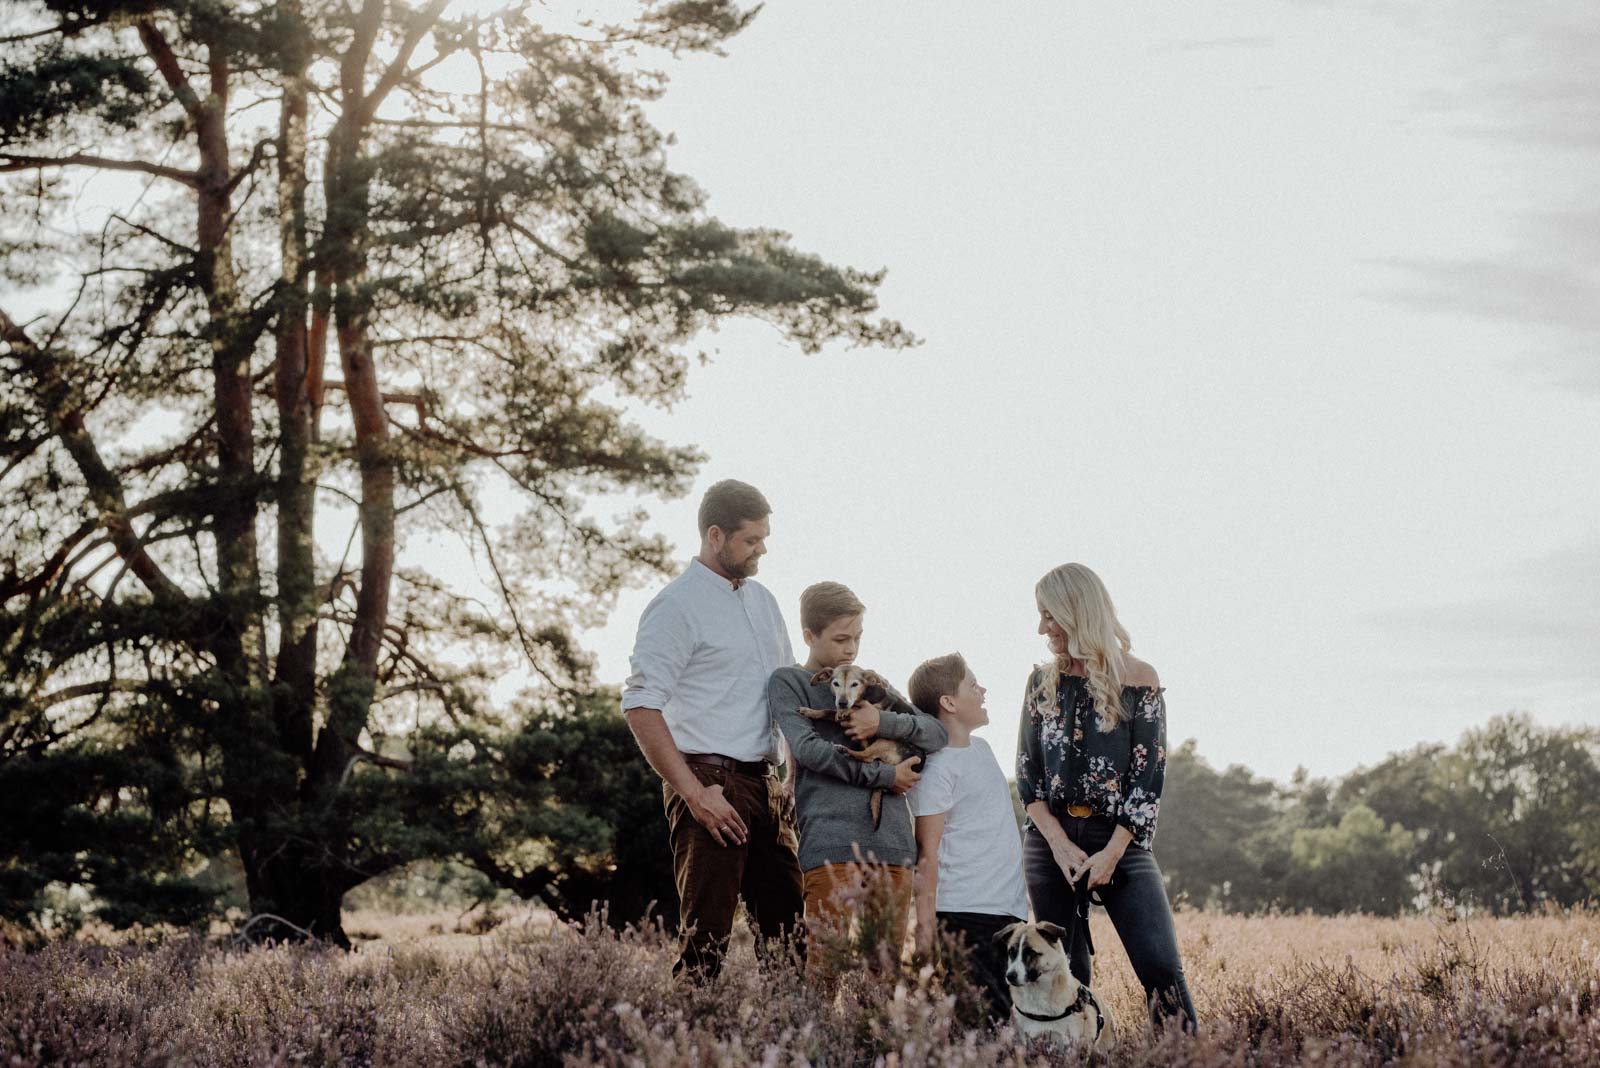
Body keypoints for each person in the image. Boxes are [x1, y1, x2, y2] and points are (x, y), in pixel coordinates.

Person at [622, 479, 803, 978]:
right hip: (710, 786)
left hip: (767, 789)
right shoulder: (674, 607)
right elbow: (640, 706)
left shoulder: (765, 601)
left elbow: (787, 693)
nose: (762, 549)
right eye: (752, 540)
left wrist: (791, 775)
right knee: (706, 947)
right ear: (716, 535)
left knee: (789, 944)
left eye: (765, 538)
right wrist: (695, 795)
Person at [1016, 562, 1198, 1032]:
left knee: (1161, 968)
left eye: (1049, 615)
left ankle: (1184, 1059)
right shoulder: (1039, 683)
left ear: (1077, 611)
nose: (1042, 628)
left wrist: (1111, 854)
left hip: (1120, 840)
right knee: (1068, 973)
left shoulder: (1139, 678)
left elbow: (1147, 779)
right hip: (1050, 842)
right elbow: (1028, 776)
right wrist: (1058, 846)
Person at [768, 581, 947, 985]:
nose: (851, 649)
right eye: (841, 639)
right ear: (809, 635)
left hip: (892, 845)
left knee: (883, 979)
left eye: (858, 638)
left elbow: (935, 734)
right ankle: (820, 1051)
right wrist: (886, 775)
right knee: (823, 973)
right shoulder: (789, 682)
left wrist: (880, 721)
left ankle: (877, 1051)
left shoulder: (867, 681)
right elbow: (811, 750)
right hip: (831, 846)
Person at [906, 652, 1029, 1026]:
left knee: (1004, 1022)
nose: (983, 690)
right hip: (965, 914)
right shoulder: (938, 768)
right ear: (949, 702)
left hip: (1008, 912)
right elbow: (926, 854)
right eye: (973, 685)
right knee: (978, 1025)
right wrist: (925, 934)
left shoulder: (984, 750)